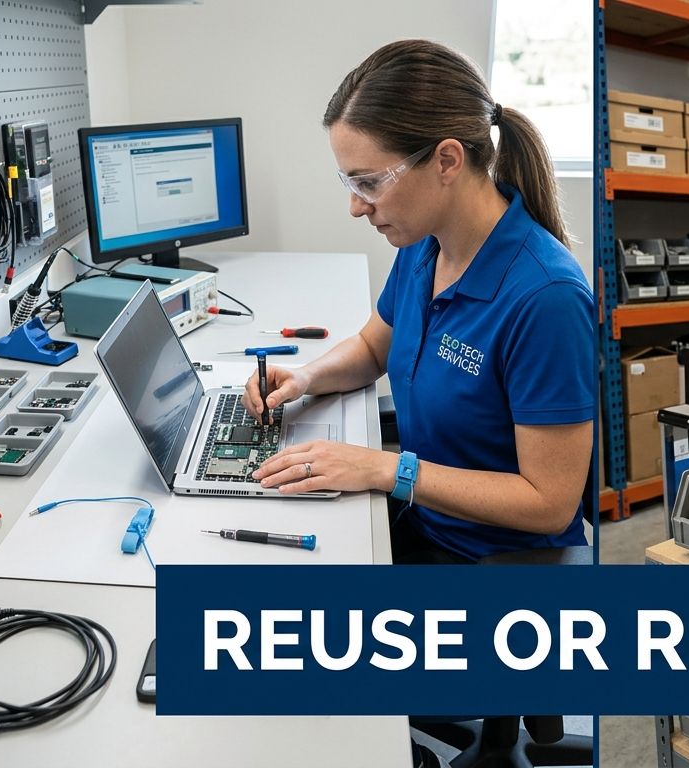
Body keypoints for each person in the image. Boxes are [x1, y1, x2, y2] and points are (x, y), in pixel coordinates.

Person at [244, 40, 594, 564]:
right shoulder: (423, 244)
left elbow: (550, 504)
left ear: (447, 160)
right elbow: (371, 347)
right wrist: (305, 379)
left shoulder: (547, 299)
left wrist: (386, 469)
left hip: (492, 559)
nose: (356, 207)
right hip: (420, 520)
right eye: (348, 181)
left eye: (368, 182)